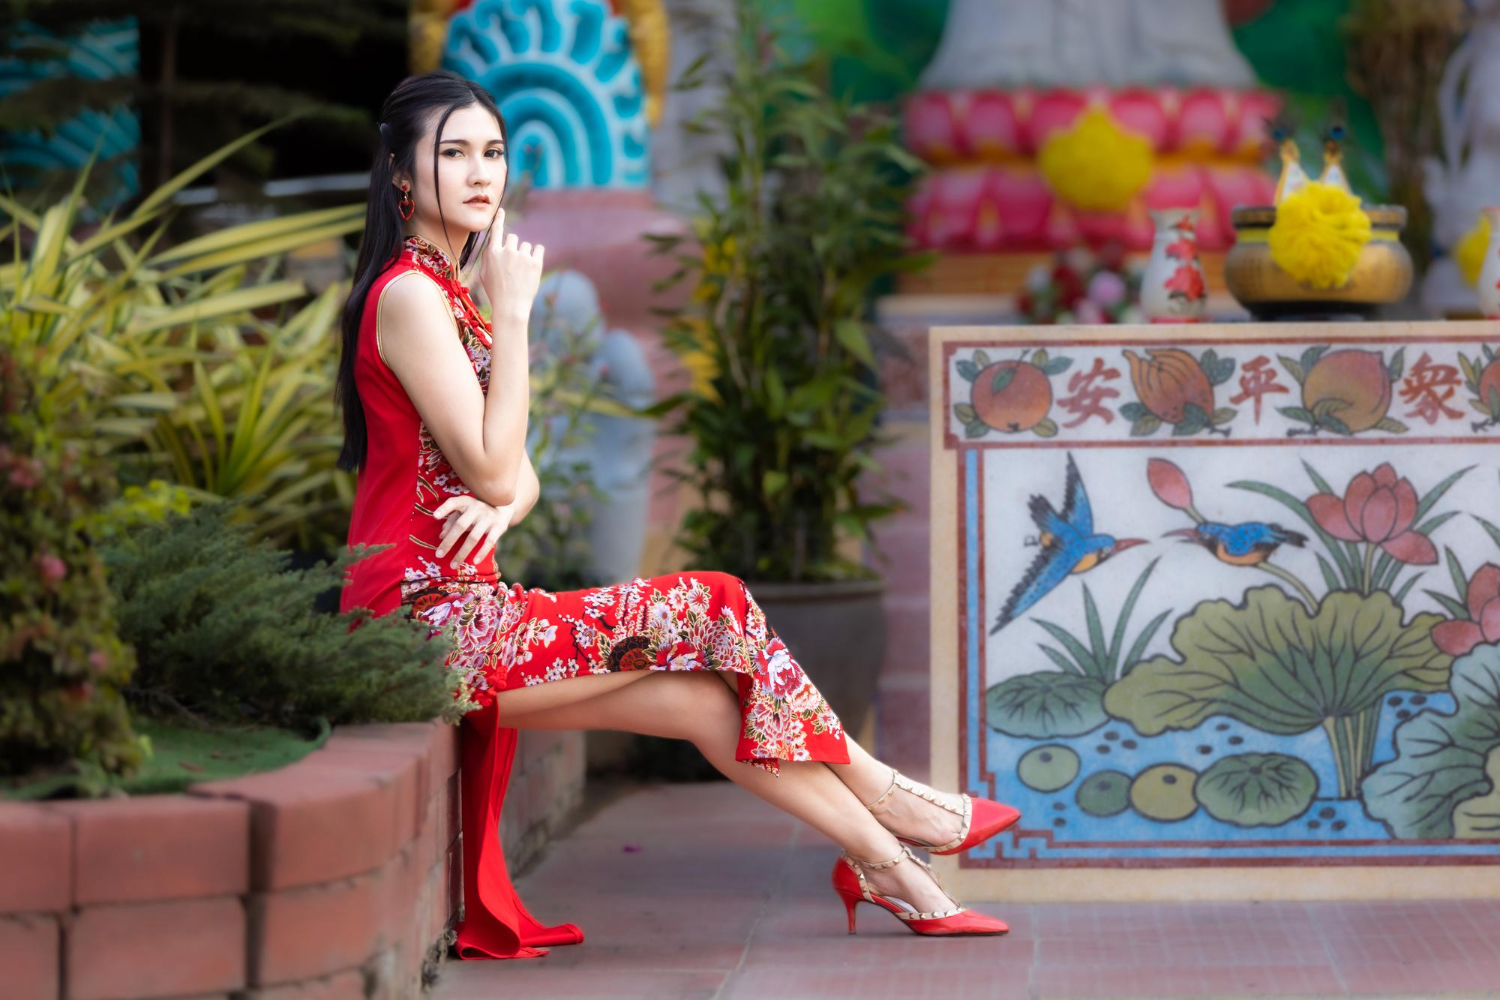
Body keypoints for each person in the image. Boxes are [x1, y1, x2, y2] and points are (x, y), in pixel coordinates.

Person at [335, 71, 1022, 960]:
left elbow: (518, 479)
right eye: (453, 153)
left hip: (468, 604)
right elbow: (496, 462)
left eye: (494, 152)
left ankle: (887, 864)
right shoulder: (411, 296)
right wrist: (514, 317)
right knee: (716, 600)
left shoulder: (449, 293)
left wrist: (499, 516)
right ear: (399, 175)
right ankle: (895, 798)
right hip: (421, 622)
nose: (480, 173)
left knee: (705, 703)